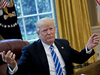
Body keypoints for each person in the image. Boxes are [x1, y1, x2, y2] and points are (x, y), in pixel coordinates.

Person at [0, 17, 99, 75]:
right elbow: (20, 72)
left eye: (51, 29)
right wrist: (12, 65)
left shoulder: (63, 43)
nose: (49, 33)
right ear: (38, 34)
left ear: (55, 30)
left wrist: (89, 47)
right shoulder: (30, 50)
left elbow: (79, 58)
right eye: (44, 30)